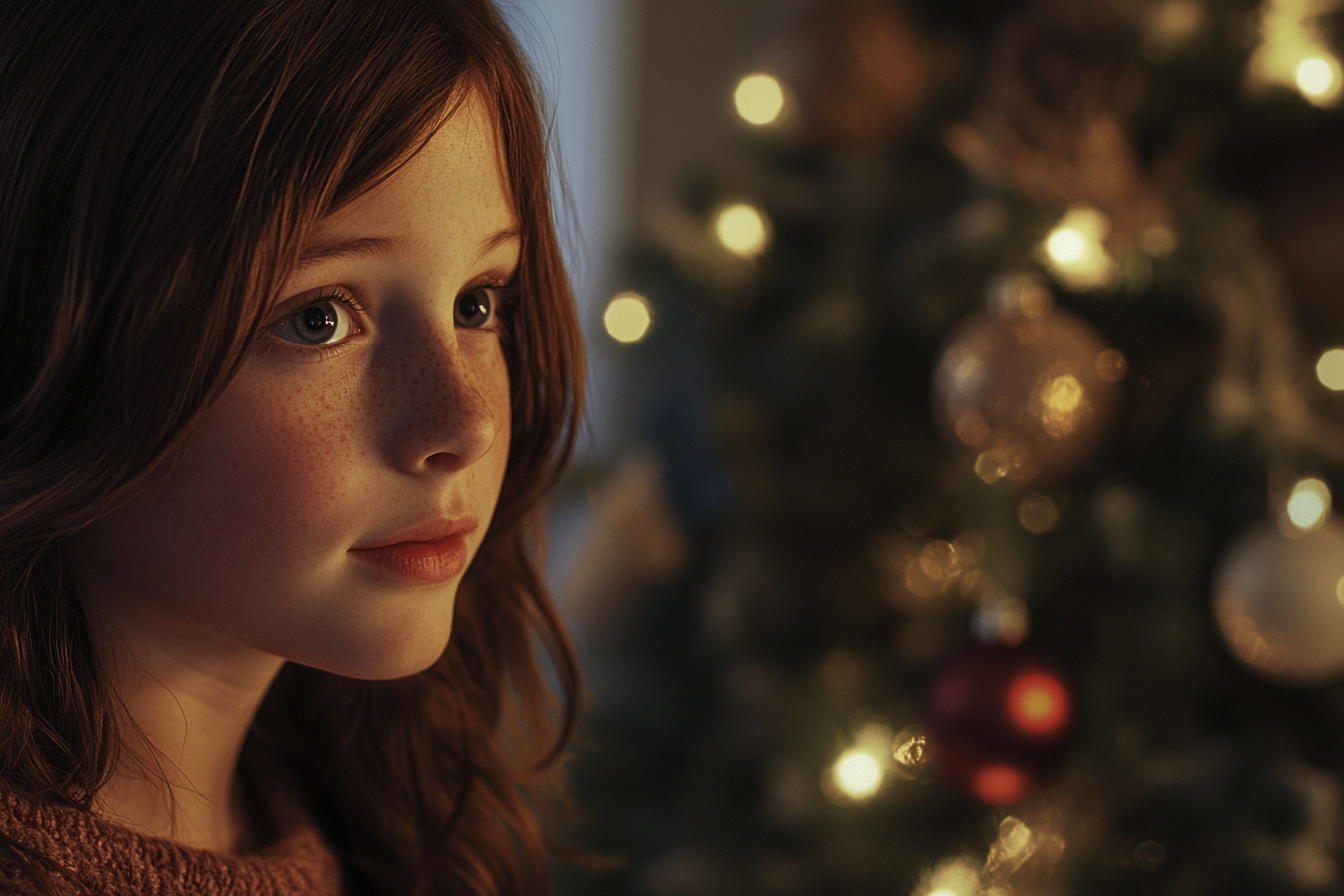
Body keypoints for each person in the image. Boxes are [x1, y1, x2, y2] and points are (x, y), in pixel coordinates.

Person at [0, 0, 584, 893]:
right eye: (318, 318)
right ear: (55, 338)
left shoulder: (390, 834)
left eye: (478, 301)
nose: (464, 422)